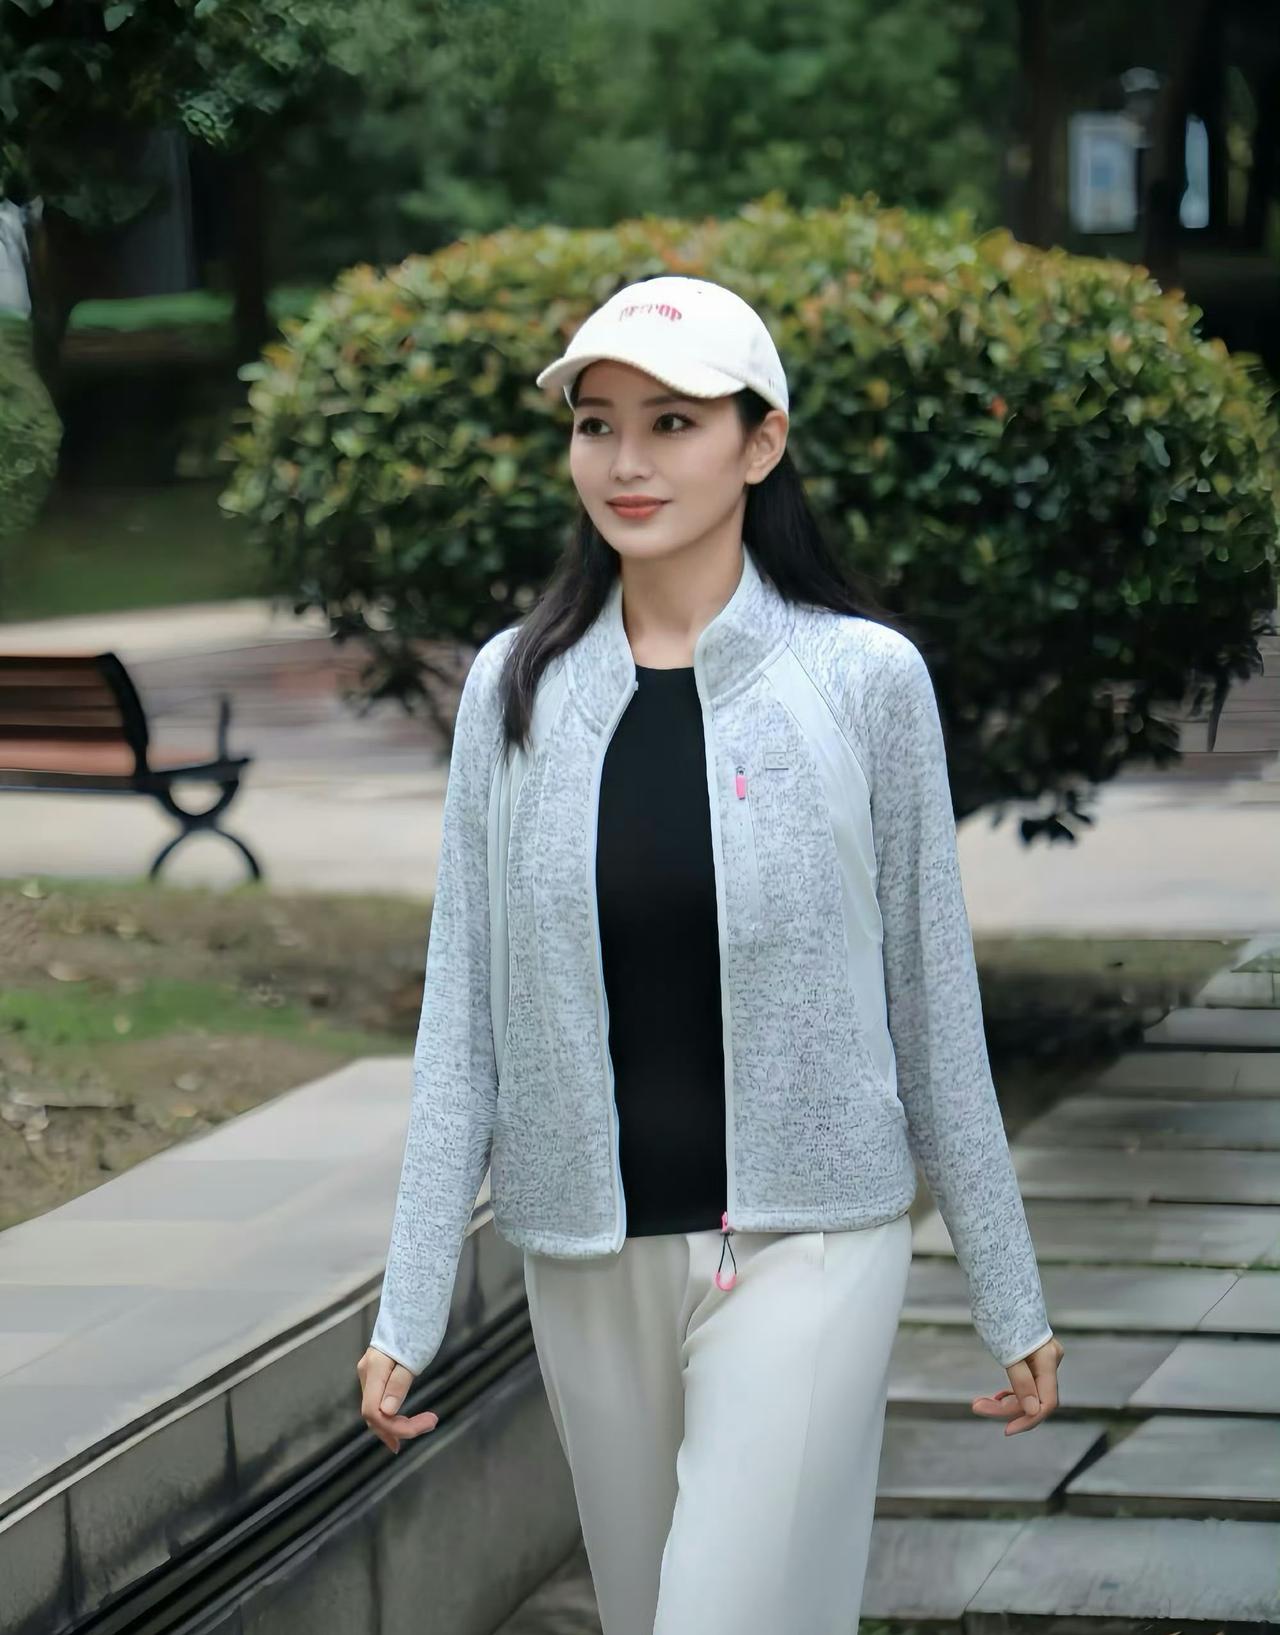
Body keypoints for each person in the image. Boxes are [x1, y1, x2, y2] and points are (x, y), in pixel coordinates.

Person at [357, 274, 1065, 1634]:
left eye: (672, 423)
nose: (626, 461)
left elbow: (931, 1004)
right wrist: (409, 1306)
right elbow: (464, 1022)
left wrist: (1008, 1289)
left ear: (761, 441)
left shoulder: (863, 680)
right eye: (597, 425)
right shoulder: (514, 688)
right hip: (585, 1255)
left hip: (811, 1245)